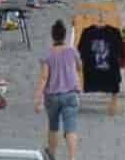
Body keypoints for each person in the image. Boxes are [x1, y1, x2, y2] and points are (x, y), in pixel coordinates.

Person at [36, 17, 83, 160]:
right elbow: (80, 67)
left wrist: (38, 98)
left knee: (53, 127)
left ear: (52, 35)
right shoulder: (71, 51)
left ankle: (52, 155)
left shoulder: (48, 54)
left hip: (52, 96)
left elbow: (44, 77)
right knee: (71, 128)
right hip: (70, 94)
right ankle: (72, 157)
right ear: (64, 35)